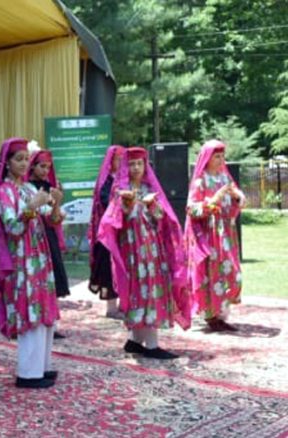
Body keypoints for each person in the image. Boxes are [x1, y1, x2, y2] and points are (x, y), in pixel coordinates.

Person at [0, 137, 61, 389]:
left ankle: (42, 367)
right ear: (7, 163)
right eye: (19, 159)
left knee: (44, 310)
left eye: (27, 158)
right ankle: (27, 373)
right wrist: (30, 208)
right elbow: (13, 227)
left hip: (38, 256)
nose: (25, 163)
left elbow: (52, 220)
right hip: (21, 258)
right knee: (30, 311)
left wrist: (56, 203)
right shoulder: (4, 191)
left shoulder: (27, 189)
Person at [98, 147, 191, 360]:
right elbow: (114, 221)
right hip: (132, 250)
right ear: (125, 166)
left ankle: (135, 340)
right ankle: (151, 345)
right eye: (131, 164)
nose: (136, 168)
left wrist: (153, 207)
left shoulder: (150, 188)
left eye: (140, 163)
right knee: (142, 290)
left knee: (150, 288)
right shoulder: (120, 190)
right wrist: (127, 205)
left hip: (151, 248)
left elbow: (161, 218)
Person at [185, 140, 245, 332]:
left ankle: (221, 313)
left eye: (222, 156)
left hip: (226, 234)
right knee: (211, 275)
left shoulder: (225, 179)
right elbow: (191, 209)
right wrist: (214, 200)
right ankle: (213, 316)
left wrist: (239, 199)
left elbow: (234, 203)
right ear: (207, 158)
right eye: (217, 156)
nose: (221, 160)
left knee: (232, 273)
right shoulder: (200, 181)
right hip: (208, 235)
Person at [28, 150, 70, 339]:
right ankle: (37, 321)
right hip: (33, 236)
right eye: (41, 166)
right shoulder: (28, 188)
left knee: (52, 279)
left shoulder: (49, 186)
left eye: (48, 167)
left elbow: (54, 216)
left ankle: (50, 323)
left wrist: (57, 204)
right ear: (33, 166)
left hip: (49, 234)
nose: (45, 170)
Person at [88, 146, 125, 318]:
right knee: (109, 270)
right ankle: (111, 307)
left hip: (124, 232)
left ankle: (125, 304)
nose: (122, 162)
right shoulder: (106, 180)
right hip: (108, 234)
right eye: (119, 159)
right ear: (111, 162)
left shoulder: (125, 179)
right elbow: (103, 201)